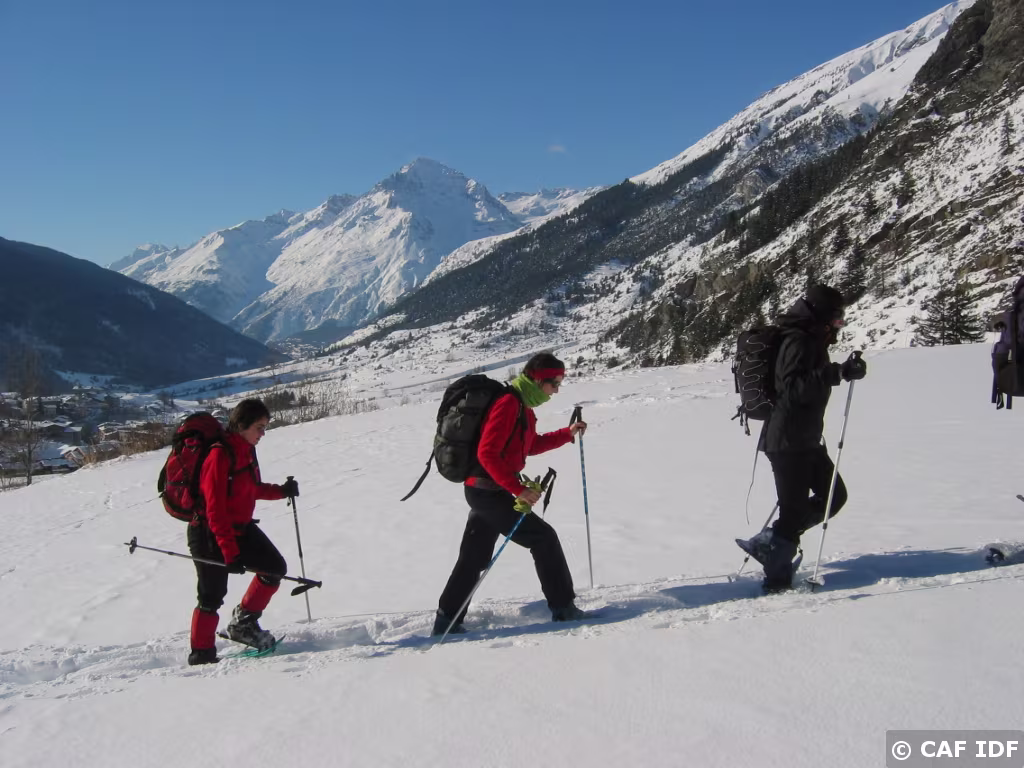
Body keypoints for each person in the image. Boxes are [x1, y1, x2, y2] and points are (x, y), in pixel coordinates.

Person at [432, 352, 589, 635]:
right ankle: (564, 608)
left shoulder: (522, 406)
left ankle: (447, 621)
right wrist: (519, 490)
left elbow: (529, 445)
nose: (556, 390)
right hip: (487, 492)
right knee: (543, 538)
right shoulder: (508, 404)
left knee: (473, 557)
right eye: (554, 383)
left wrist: (566, 434)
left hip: (486, 490)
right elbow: (487, 454)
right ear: (538, 380)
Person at [738, 285, 866, 591]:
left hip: (805, 438)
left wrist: (838, 372)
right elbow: (791, 388)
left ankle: (772, 541)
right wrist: (838, 373)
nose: (839, 326)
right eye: (837, 319)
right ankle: (776, 581)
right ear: (822, 316)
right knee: (793, 511)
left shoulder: (810, 339)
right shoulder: (798, 340)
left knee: (833, 497)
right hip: (786, 441)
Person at [187, 398, 299, 665]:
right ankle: (201, 655)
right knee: (211, 596)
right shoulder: (219, 455)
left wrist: (281, 491)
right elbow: (215, 510)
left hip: (239, 528)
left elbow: (250, 489)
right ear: (242, 425)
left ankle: (243, 624)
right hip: (209, 532)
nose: (263, 433)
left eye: (265, 427)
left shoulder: (245, 451)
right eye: (259, 427)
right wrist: (230, 553)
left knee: (273, 568)